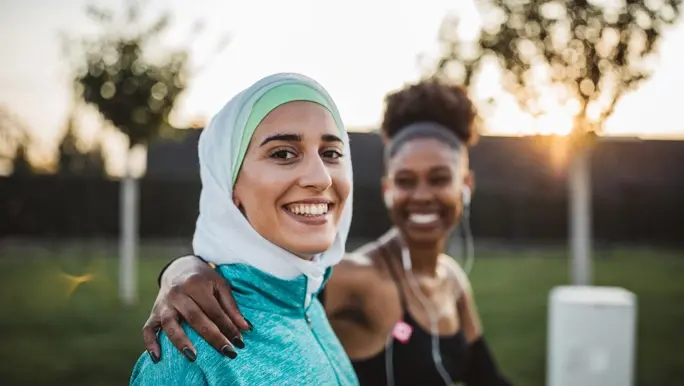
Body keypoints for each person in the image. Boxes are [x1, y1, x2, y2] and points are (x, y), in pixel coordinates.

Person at [143, 80, 512, 385]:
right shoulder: (354, 278)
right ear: (387, 189)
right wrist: (182, 269)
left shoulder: (453, 281)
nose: (422, 196)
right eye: (405, 180)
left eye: (439, 179)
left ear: (466, 184)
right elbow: (264, 288)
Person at [130, 73, 358, 386]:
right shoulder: (189, 355)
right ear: (229, 185)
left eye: (331, 153)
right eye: (283, 153)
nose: (321, 178)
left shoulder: (309, 306)